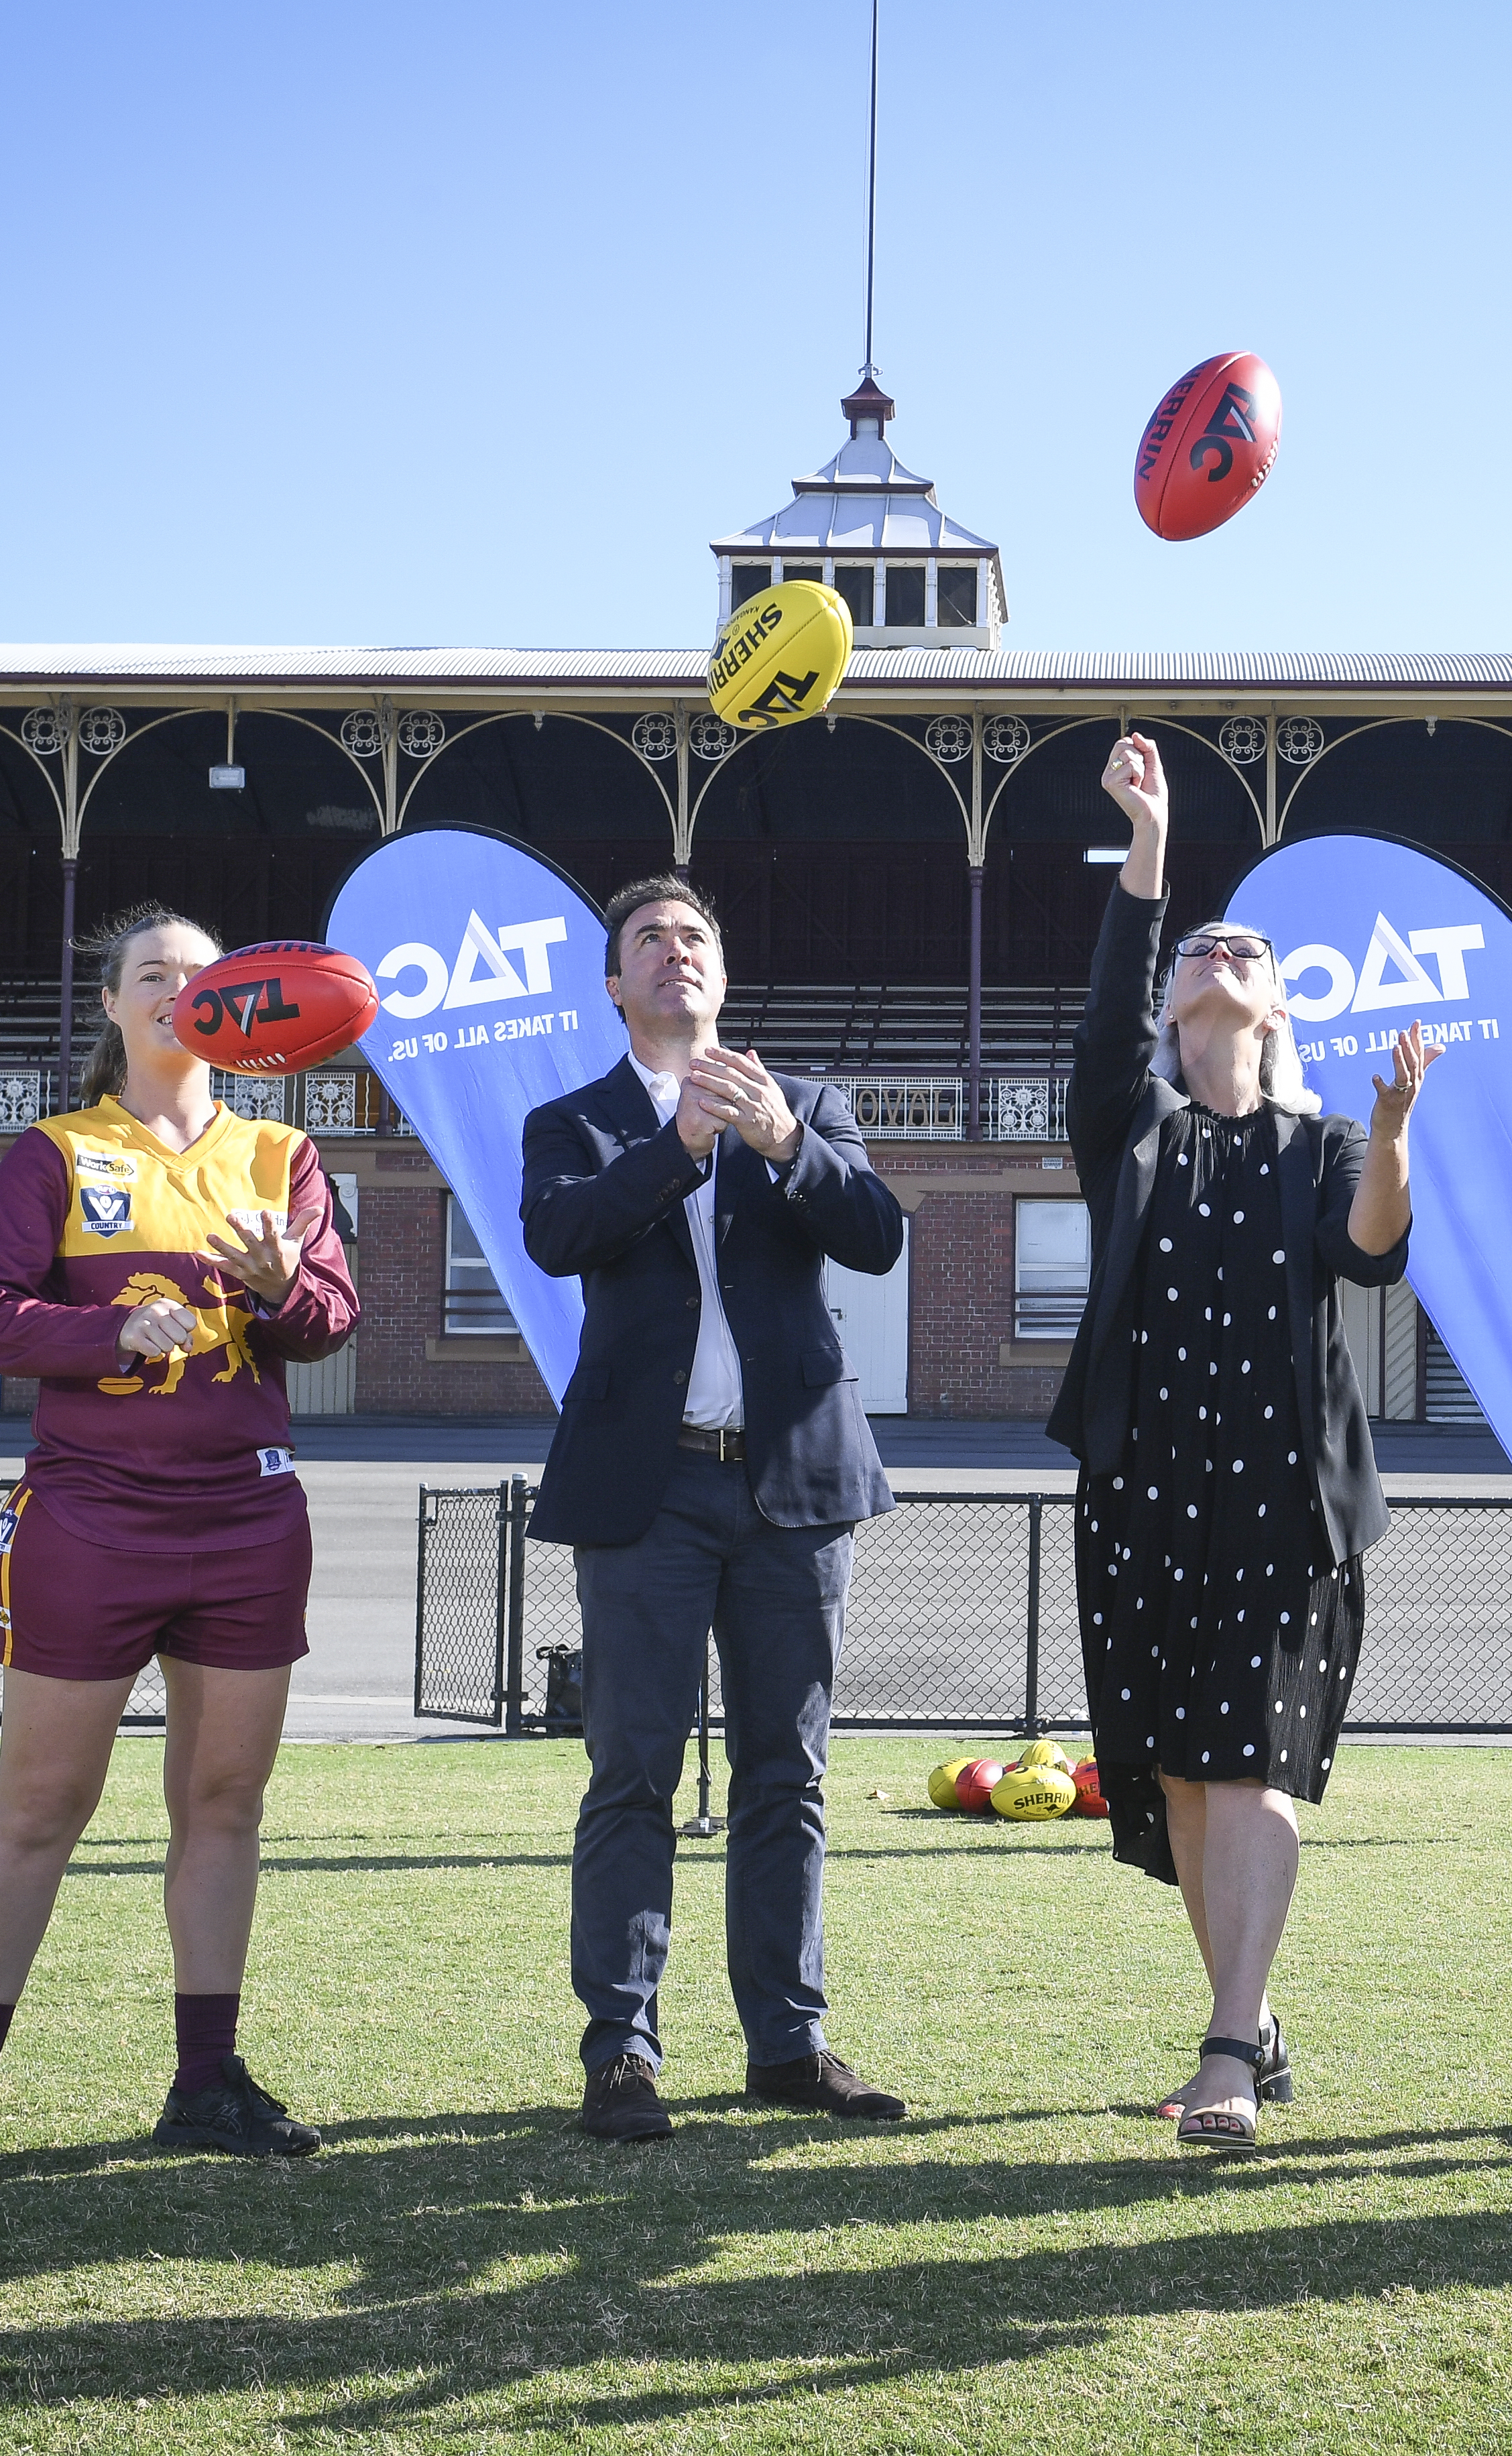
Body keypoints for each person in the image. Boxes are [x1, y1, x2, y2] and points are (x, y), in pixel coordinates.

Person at [0, 902, 360, 2187]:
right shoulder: (54, 1152)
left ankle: (204, 2081)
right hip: (90, 1514)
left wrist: (282, 1286)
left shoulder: (282, 1152)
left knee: (223, 1803)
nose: (178, 991)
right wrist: (107, 1334)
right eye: (151, 975)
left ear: (242, 1005)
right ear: (110, 1006)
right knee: (39, 1806)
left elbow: (327, 1324)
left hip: (247, 1515)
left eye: (202, 975)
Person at [1058, 733, 1429, 2153]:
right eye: (1201, 944)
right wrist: (1149, 845)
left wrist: (1391, 1126)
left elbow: (1372, 1248)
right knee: (1185, 1775)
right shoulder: (1132, 1124)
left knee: (1255, 1760)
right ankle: (1251, 2017)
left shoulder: (1323, 1139)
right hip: (1145, 1499)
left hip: (1284, 1503)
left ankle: (1223, 2046)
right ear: (1174, 999)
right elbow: (1102, 1019)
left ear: (1278, 1009)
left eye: (1253, 948)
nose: (1226, 950)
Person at [522, 874, 911, 2144]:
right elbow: (560, 1235)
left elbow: (876, 1235)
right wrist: (678, 1147)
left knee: (783, 1773)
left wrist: (784, 1148)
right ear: (614, 985)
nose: (674, 953)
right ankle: (622, 2049)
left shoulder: (800, 1107)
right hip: (648, 1489)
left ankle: (787, 2044)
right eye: (649, 940)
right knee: (629, 1770)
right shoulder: (572, 1122)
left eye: (694, 938)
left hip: (790, 1484)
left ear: (721, 976)